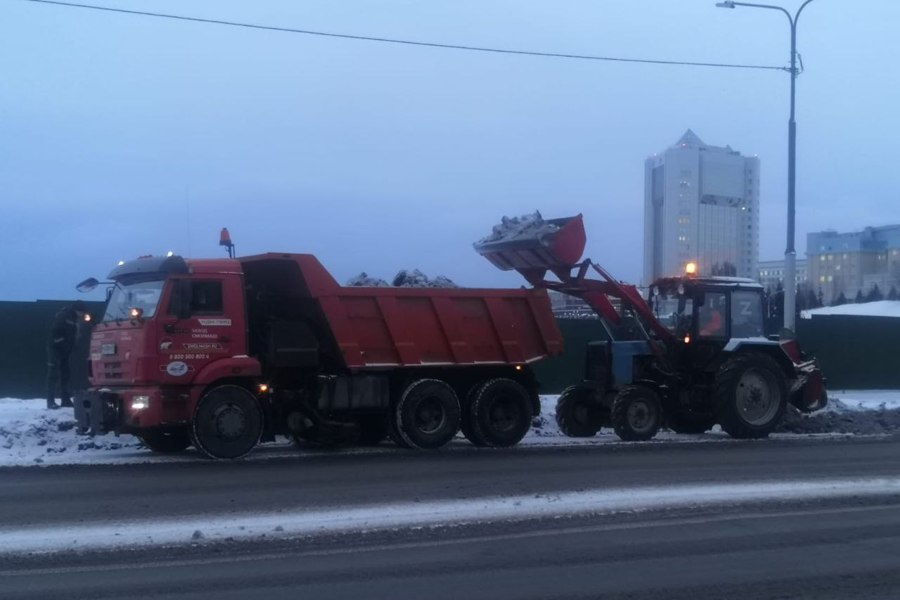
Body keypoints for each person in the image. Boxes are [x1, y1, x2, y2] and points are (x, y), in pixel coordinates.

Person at [46, 300, 88, 410]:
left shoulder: (75, 319)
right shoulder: (64, 315)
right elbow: (55, 332)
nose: (82, 314)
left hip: (66, 349)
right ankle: (50, 401)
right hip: (56, 348)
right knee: (53, 373)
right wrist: (62, 343)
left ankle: (65, 399)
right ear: (77, 310)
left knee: (65, 374)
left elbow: (75, 334)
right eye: (81, 312)